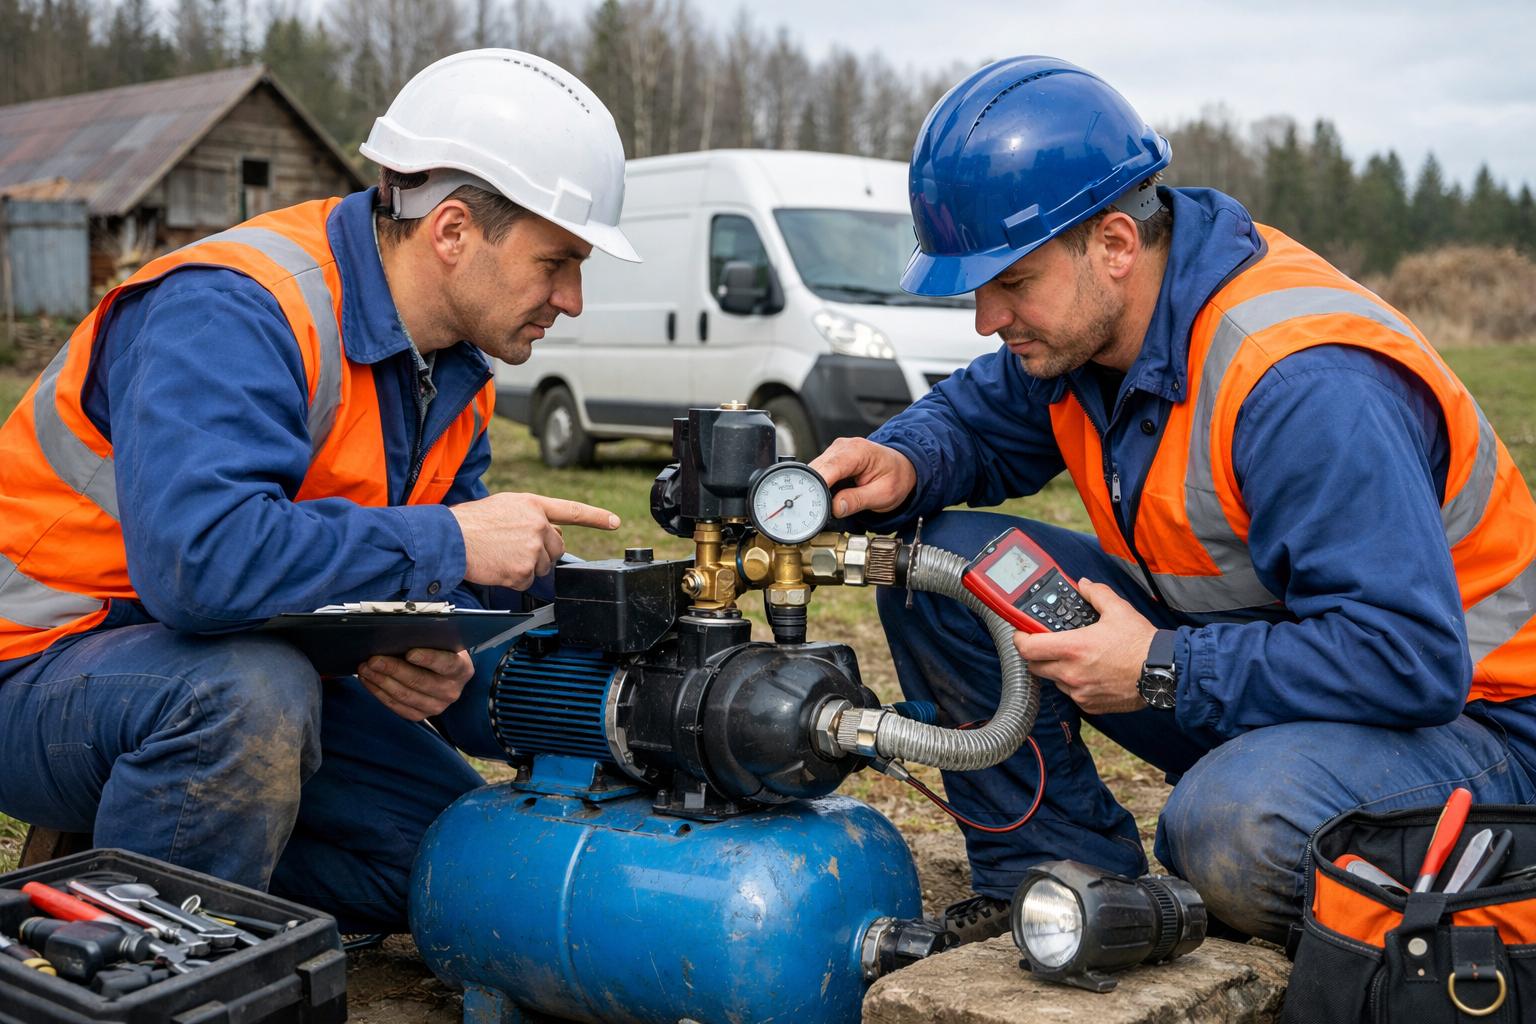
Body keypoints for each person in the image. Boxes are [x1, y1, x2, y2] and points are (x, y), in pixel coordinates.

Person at [810, 55, 1536, 946]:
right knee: (944, 568)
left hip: (1479, 728)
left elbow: (1409, 659)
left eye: (1012, 283)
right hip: (1285, 689)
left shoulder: (1302, 385)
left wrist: (1159, 668)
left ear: (1115, 244)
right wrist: (902, 461)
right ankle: (1063, 893)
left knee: (1230, 829)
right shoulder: (1089, 335)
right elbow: (979, 419)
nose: (987, 319)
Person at [0, 49, 635, 933]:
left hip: (232, 657)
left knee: (458, 859)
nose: (571, 298)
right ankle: (134, 959)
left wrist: (434, 634)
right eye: (556, 261)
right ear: (452, 231)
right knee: (245, 699)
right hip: (40, 663)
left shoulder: (453, 371)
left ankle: (159, 865)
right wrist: (448, 544)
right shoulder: (233, 308)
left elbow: (423, 570)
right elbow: (203, 565)